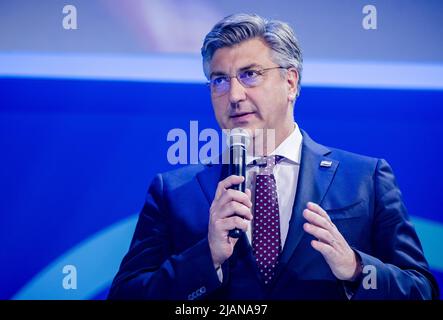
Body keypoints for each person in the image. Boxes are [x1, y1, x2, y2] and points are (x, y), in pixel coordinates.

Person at [108, 13, 439, 300]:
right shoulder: (175, 192)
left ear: (291, 82)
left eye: (250, 74)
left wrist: (356, 269)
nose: (234, 95)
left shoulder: (365, 178)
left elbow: (422, 290)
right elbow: (127, 295)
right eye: (219, 80)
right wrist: (206, 256)